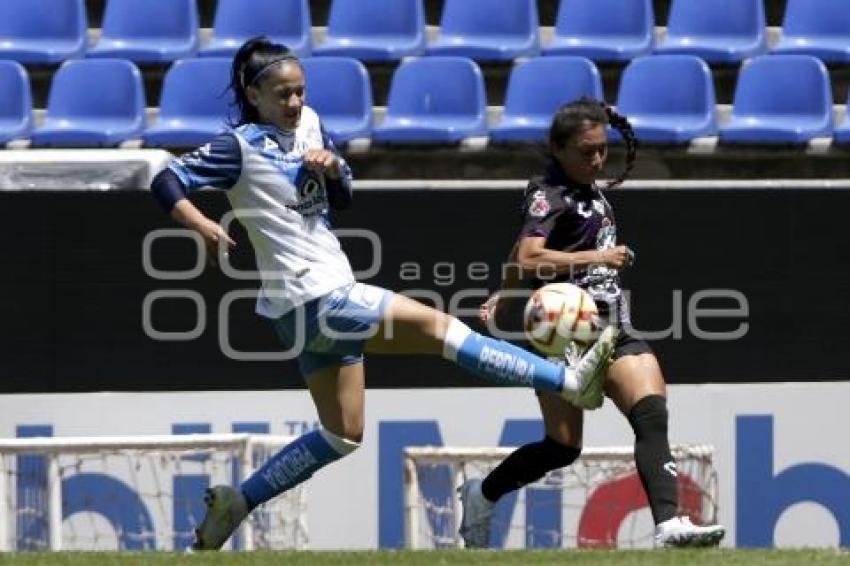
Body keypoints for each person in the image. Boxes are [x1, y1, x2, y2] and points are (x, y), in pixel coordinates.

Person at [149, 38, 618, 551]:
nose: (294, 103)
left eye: (300, 92)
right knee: (444, 330)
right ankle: (567, 378)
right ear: (253, 93)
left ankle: (236, 503)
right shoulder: (237, 147)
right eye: (282, 94)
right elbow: (166, 178)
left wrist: (332, 170)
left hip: (302, 310)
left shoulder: (310, 125)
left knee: (342, 434)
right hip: (320, 296)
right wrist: (201, 223)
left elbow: (341, 199)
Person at [457, 98, 726, 549]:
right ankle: (482, 495)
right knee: (562, 447)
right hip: (563, 333)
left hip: (613, 322)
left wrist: (504, 289)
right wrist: (597, 256)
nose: (597, 159)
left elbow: (517, 259)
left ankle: (669, 524)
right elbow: (528, 255)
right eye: (586, 151)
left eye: (602, 149)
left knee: (651, 413)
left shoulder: (589, 189)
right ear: (558, 149)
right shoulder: (549, 194)